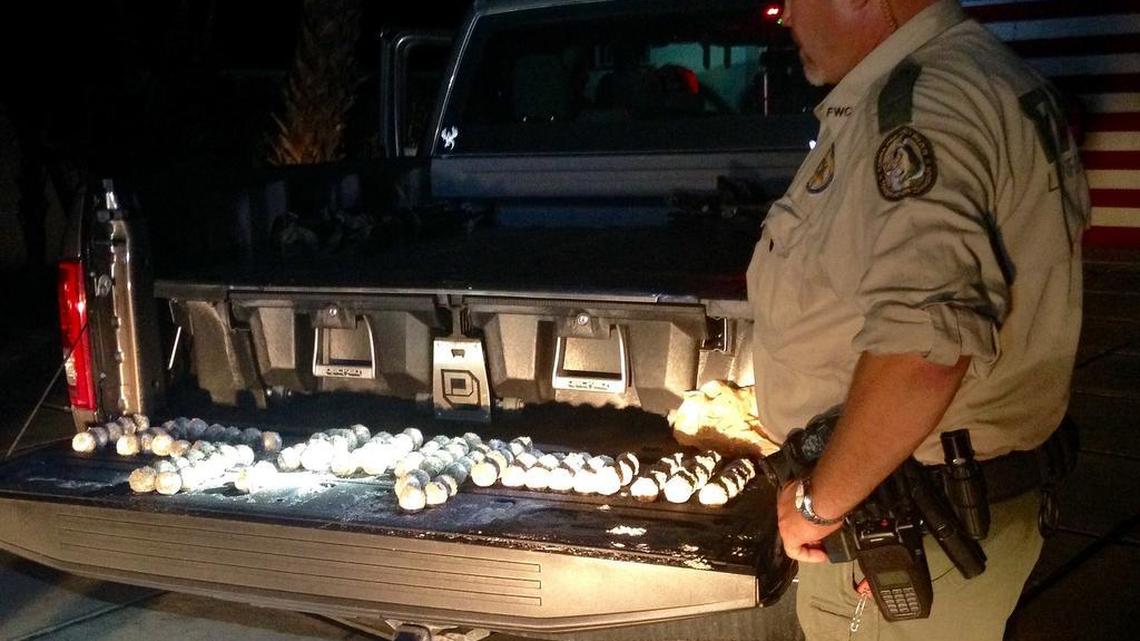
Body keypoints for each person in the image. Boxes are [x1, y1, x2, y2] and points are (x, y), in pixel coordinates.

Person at [745, 0, 1089, 639]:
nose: (784, 16)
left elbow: (923, 350)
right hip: (929, 507)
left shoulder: (923, 105)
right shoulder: (972, 76)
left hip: (904, 525)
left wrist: (822, 504)